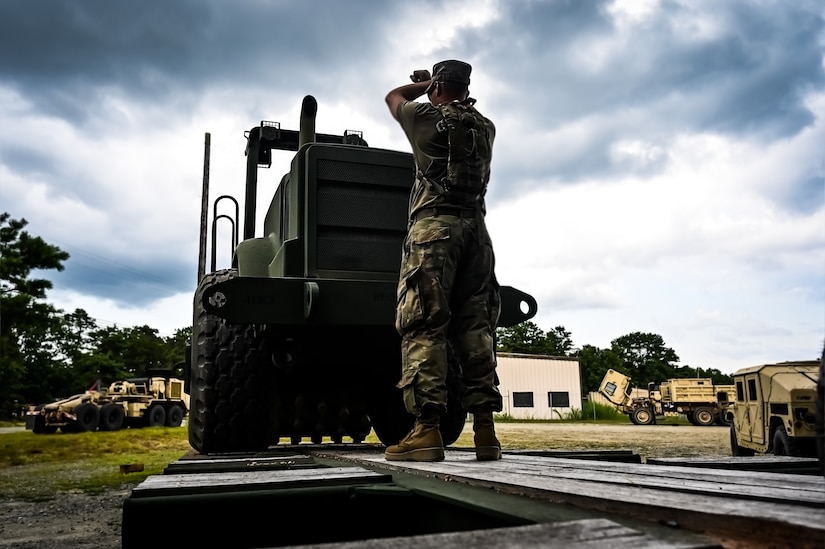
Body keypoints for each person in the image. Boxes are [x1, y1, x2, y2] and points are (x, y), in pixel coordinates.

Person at [384, 60, 502, 462]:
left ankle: (427, 431)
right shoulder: (486, 127)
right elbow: (460, 110)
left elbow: (393, 98)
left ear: (437, 86)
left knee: (424, 326)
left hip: (434, 231)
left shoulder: (423, 116)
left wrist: (419, 86)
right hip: (477, 235)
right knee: (476, 328)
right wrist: (437, 86)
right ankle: (486, 432)